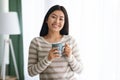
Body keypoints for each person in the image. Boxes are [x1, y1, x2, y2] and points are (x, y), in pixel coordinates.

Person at [28, 5, 83, 80]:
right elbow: (31, 72)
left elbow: (80, 70)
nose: (57, 21)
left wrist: (70, 56)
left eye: (61, 19)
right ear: (46, 20)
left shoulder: (71, 40)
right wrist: (48, 59)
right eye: (53, 17)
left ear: (64, 22)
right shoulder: (36, 42)